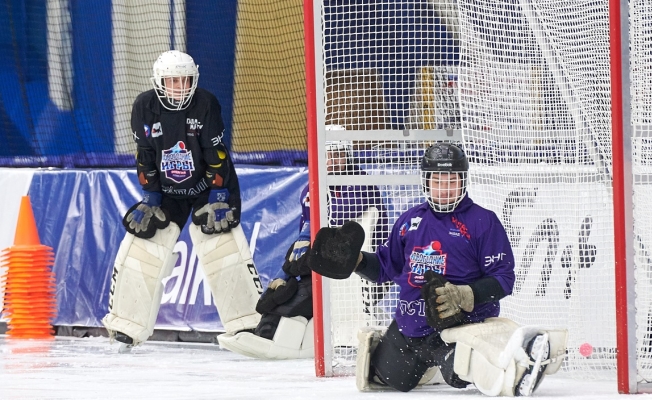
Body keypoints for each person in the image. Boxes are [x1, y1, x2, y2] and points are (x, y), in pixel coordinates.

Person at [307, 142, 568, 396]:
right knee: (383, 379)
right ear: (426, 181)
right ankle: (419, 366)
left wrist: (464, 295)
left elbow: (503, 279)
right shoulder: (409, 220)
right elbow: (387, 268)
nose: (445, 189)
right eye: (438, 181)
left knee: (464, 368)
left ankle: (520, 364)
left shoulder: (483, 222)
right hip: (409, 328)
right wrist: (358, 262)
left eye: (452, 181)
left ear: (463, 181)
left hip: (458, 328)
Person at [101, 50, 263, 355]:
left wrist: (217, 196)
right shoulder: (143, 107)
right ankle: (125, 326)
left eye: (185, 80)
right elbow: (145, 156)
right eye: (172, 81)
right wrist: (150, 197)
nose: (179, 87)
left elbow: (216, 156)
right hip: (166, 189)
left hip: (207, 185)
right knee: (145, 241)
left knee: (222, 244)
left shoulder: (206, 104)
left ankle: (247, 324)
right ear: (160, 82)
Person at [218, 141, 390, 359]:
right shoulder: (313, 187)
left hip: (370, 273)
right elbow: (306, 234)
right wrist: (286, 270)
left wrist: (308, 233)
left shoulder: (361, 184)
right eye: (326, 155)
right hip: (330, 264)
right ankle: (271, 331)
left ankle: (270, 335)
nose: (331, 161)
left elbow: (334, 217)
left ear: (348, 156)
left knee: (299, 296)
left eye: (337, 155)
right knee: (284, 289)